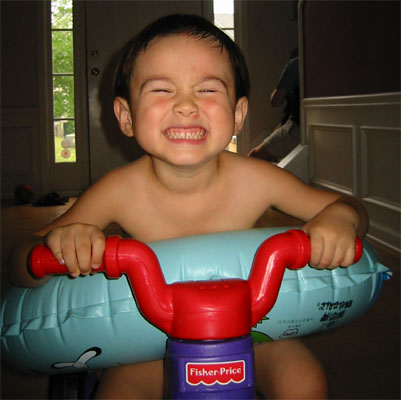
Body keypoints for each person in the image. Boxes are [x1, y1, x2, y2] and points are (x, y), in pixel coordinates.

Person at [8, 14, 368, 399]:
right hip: (149, 342)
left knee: (303, 380)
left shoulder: (258, 179)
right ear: (126, 117)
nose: (185, 106)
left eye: (208, 90)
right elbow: (19, 262)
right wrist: (61, 244)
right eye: (162, 89)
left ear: (238, 115)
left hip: (250, 330)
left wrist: (340, 218)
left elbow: (350, 208)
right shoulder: (118, 190)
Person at [248, 48, 300, 162]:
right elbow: (285, 120)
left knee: (253, 157)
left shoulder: (295, 64)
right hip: (295, 123)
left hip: (297, 127)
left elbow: (275, 101)